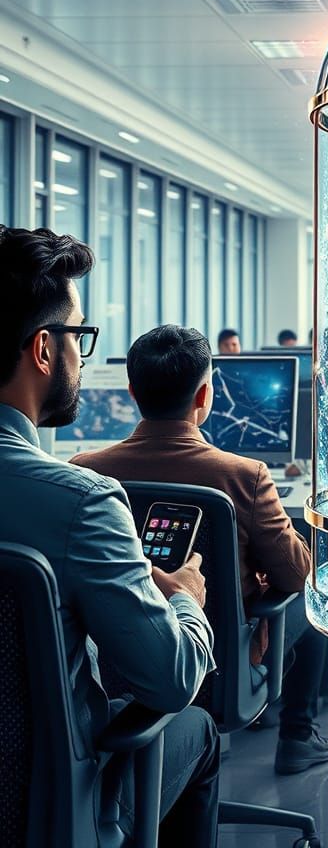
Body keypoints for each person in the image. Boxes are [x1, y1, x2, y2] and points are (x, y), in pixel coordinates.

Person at [0, 226, 220, 845]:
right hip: (49, 810)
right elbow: (170, 680)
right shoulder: (81, 502)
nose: (82, 355)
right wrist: (186, 601)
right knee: (196, 729)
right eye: (79, 336)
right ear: (44, 350)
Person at [72, 325, 328, 776]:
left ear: (133, 392)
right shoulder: (244, 475)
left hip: (113, 665)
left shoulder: (85, 474)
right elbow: (295, 577)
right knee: (316, 599)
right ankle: (296, 736)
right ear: (205, 396)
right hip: (219, 669)